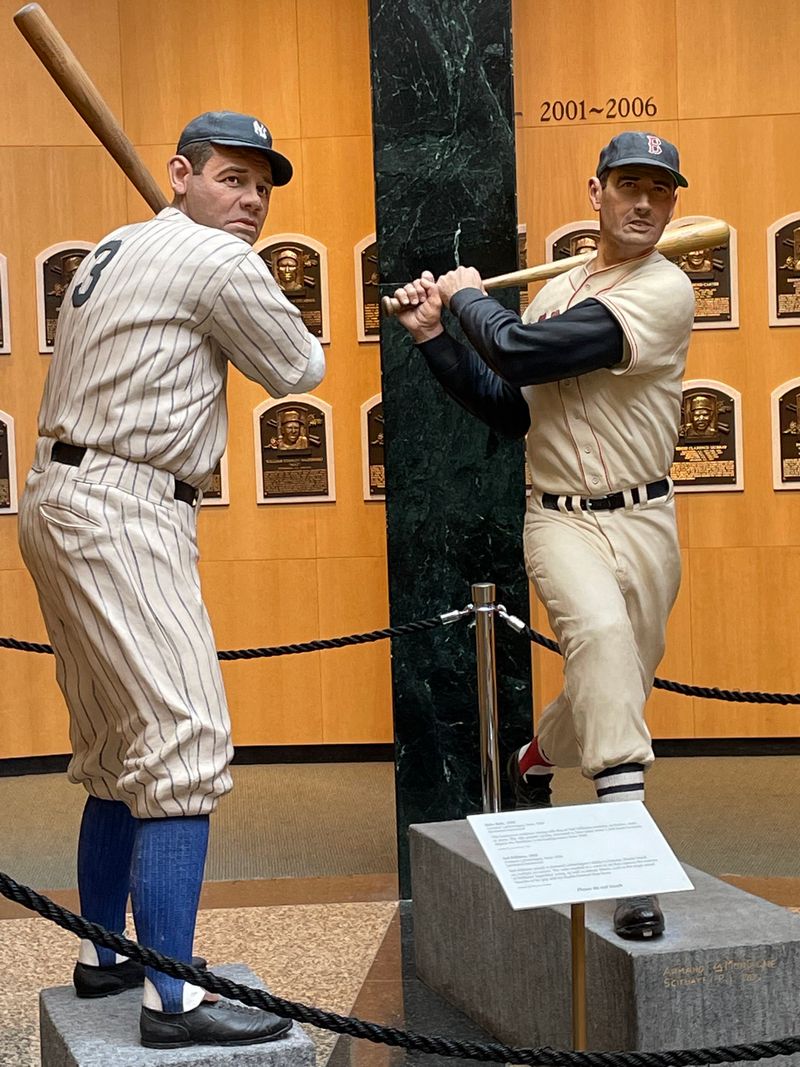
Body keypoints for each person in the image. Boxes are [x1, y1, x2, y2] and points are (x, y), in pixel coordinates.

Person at [18, 110, 325, 1049]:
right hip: (124, 506)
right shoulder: (216, 259)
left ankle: (105, 951)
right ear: (181, 174)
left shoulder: (117, 243)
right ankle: (172, 1000)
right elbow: (298, 366)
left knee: (119, 750)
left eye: (262, 187)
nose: (252, 200)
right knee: (184, 744)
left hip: (60, 497)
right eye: (232, 179)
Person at [391, 131, 695, 941]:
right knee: (596, 636)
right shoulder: (559, 287)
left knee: (619, 681)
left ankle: (540, 752)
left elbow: (523, 350)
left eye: (659, 192)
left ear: (671, 204)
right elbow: (507, 400)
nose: (643, 203)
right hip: (559, 517)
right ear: (594, 192)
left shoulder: (667, 289)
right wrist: (434, 339)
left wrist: (463, 297)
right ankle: (632, 864)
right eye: (628, 185)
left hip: (647, 519)